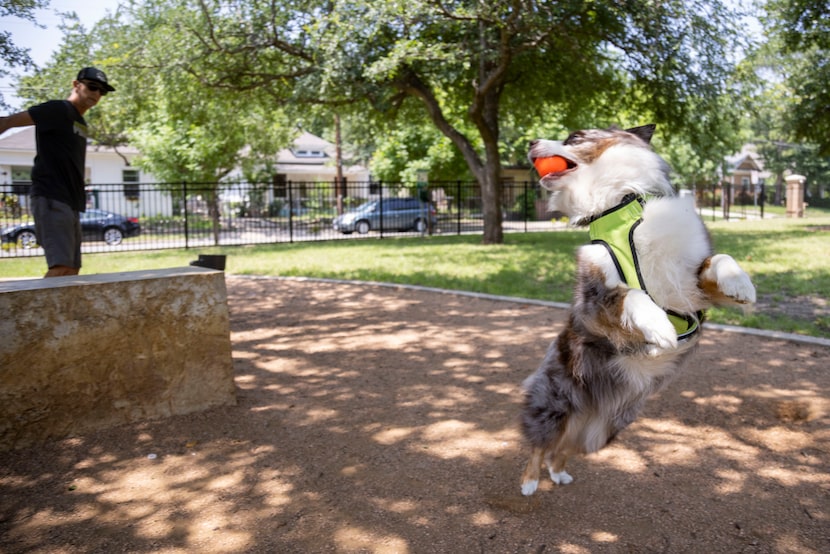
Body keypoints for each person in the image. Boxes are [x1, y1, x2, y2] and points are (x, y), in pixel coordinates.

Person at [0, 67, 115, 277]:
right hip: (51, 195)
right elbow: (9, 122)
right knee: (60, 268)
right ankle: (37, 309)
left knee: (71, 270)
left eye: (102, 91)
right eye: (92, 87)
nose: (96, 94)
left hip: (71, 202)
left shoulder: (80, 121)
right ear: (76, 85)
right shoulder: (57, 109)